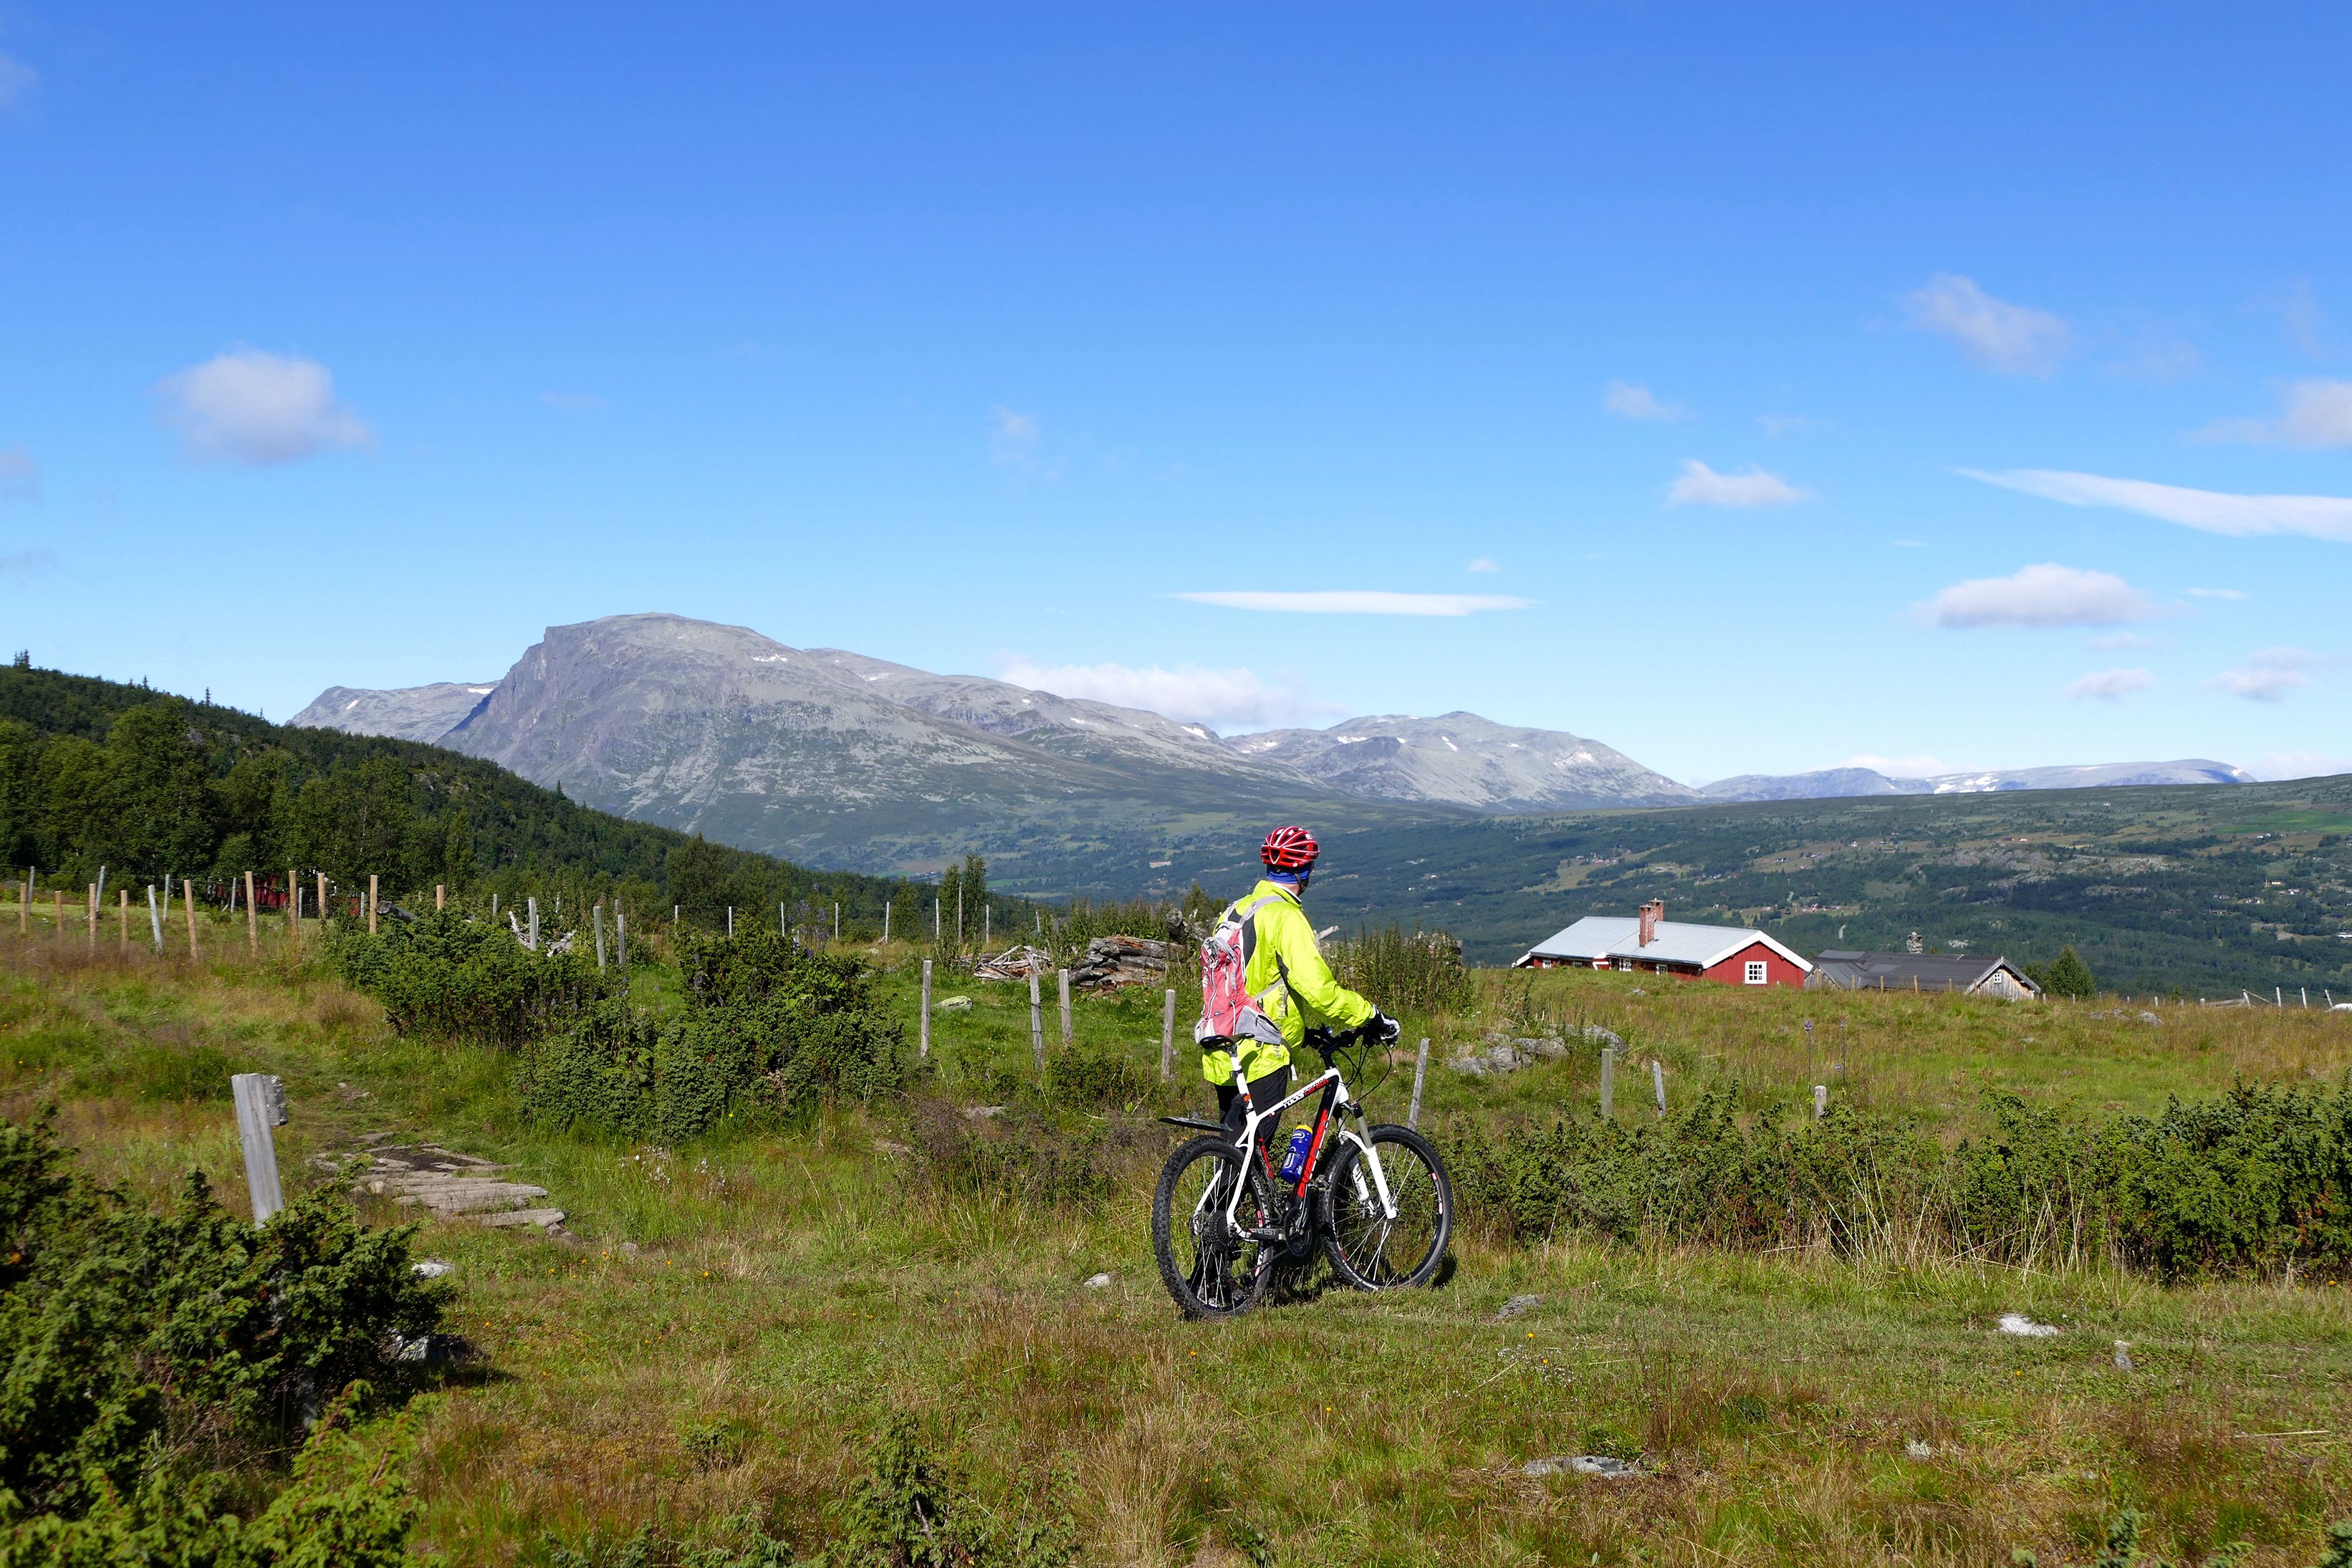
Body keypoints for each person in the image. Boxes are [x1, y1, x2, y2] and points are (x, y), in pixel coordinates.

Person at [1204, 826, 1402, 1148]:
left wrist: (1303, 1031)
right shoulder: (1285, 916)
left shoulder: (1235, 910)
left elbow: (1250, 982)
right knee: (1247, 1157)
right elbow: (1320, 992)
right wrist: (1372, 1016)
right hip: (1262, 1051)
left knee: (1235, 1153)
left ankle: (1233, 1199)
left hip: (1224, 1048)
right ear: (1305, 870)